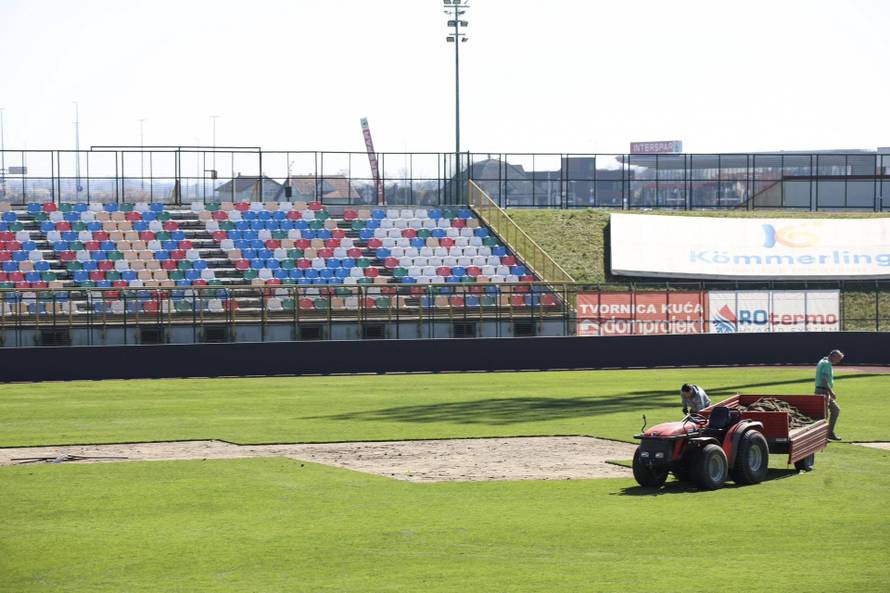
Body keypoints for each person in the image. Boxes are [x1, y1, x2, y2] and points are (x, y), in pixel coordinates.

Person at [815, 349, 844, 441]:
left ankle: (829, 433)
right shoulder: (827, 364)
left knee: (835, 410)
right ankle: (821, 436)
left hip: (822, 390)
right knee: (824, 414)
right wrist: (831, 392)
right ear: (833, 356)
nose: (838, 361)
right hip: (823, 391)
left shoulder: (823, 361)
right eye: (838, 359)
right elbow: (824, 379)